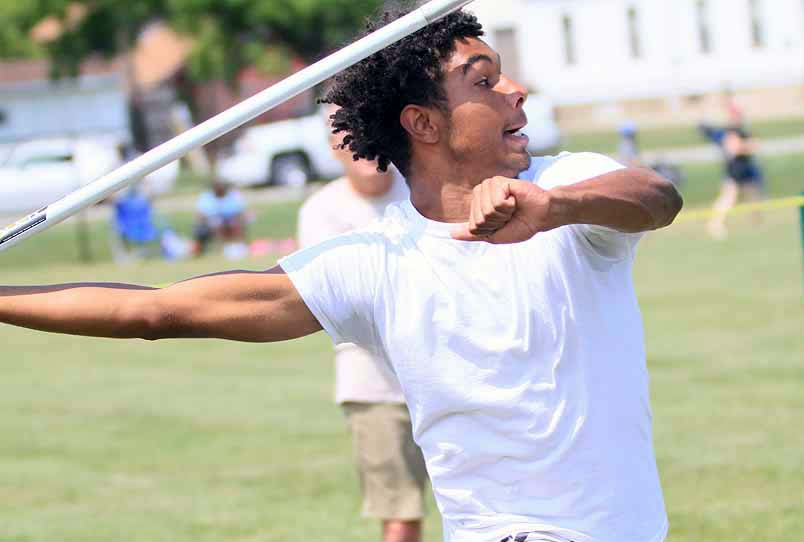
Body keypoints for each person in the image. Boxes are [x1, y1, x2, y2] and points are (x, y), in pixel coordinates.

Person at [0, 9, 683, 542]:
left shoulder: (565, 183)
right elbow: (155, 312)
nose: (515, 90)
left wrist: (553, 208)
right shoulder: (374, 262)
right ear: (423, 122)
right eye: (483, 80)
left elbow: (656, 198)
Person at [297, 109, 427, 542]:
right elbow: (339, 299)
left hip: (450, 374)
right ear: (332, 145)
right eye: (342, 130)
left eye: (365, 123)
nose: (356, 140)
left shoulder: (423, 189)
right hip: (377, 390)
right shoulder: (321, 212)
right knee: (401, 517)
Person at [706, 125, 765, 239]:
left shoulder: (743, 131)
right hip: (734, 176)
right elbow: (734, 148)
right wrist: (746, 146)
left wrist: (746, 146)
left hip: (747, 175)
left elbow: (755, 145)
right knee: (727, 201)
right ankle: (715, 226)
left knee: (755, 201)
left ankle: (757, 225)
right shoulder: (729, 132)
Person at [193, 179, 248, 255]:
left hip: (231, 219)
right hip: (212, 221)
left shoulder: (234, 196)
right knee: (217, 223)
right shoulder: (206, 197)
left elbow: (240, 211)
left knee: (235, 223)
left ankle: (238, 247)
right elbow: (200, 215)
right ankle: (222, 248)